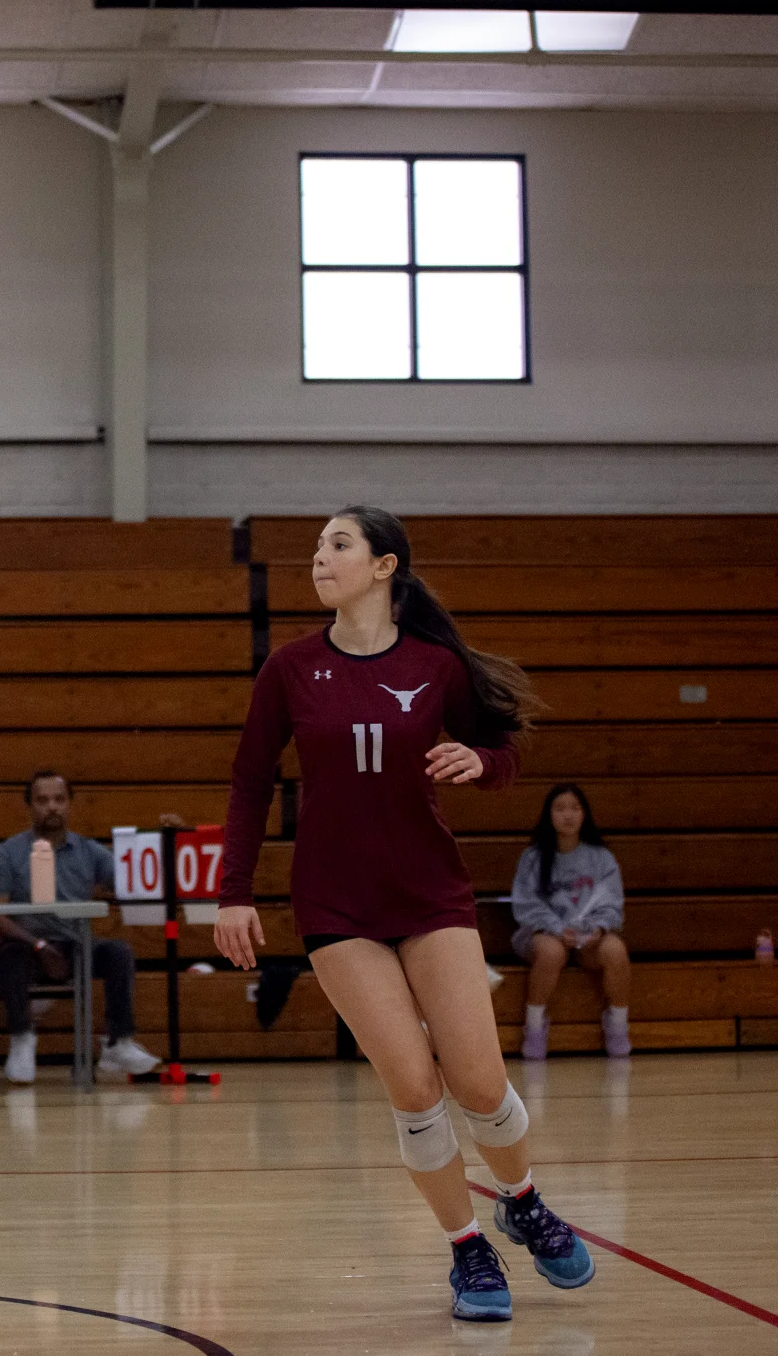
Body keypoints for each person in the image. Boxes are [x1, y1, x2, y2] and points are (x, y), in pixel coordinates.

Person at [214, 505, 592, 1324]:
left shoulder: (435, 664)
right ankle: (468, 1247)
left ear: (384, 566)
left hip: (429, 893)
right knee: (416, 1087)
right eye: (317, 546)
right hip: (334, 902)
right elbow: (249, 781)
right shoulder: (289, 668)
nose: (319, 557)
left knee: (480, 1081)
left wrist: (479, 759)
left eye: (338, 543)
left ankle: (523, 1198)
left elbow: (505, 753)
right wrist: (232, 891)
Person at [0, 771, 161, 1084]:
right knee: (10, 955)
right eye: (43, 800)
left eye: (59, 799)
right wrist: (39, 946)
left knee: (118, 952)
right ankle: (22, 1039)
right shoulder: (7, 853)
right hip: (28, 944)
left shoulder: (89, 851)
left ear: (69, 805)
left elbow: (132, 882)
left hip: (76, 945)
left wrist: (162, 838)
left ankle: (118, 1042)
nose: (52, 806)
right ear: (30, 806)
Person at [510, 783, 630, 1060]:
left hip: (589, 936)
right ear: (549, 814)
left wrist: (598, 928)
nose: (568, 815)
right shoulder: (533, 857)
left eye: (575, 808)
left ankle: (617, 1024)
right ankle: (535, 1025)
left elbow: (612, 901)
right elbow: (526, 903)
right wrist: (556, 929)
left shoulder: (601, 857)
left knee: (615, 950)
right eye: (560, 808)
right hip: (544, 933)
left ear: (584, 814)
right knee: (551, 953)